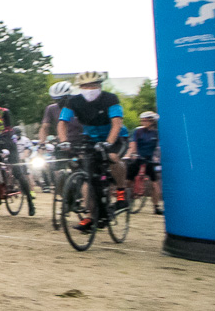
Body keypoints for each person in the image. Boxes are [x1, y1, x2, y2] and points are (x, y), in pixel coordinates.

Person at [57, 71, 129, 229]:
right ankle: (90, 216)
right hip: (91, 138)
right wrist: (63, 141)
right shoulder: (73, 101)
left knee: (112, 157)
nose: (89, 89)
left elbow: (117, 123)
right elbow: (62, 122)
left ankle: (121, 194)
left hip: (115, 137)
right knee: (88, 176)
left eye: (93, 85)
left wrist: (108, 143)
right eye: (85, 86)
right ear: (80, 87)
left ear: (100, 86)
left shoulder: (110, 98)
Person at [125, 111, 164, 215]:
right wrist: (132, 154)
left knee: (154, 183)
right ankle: (125, 202)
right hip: (138, 157)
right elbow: (133, 144)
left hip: (150, 159)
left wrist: (157, 158)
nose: (142, 122)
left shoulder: (156, 133)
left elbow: (159, 146)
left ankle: (156, 207)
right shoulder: (138, 131)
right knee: (128, 180)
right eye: (142, 120)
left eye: (145, 120)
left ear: (151, 121)